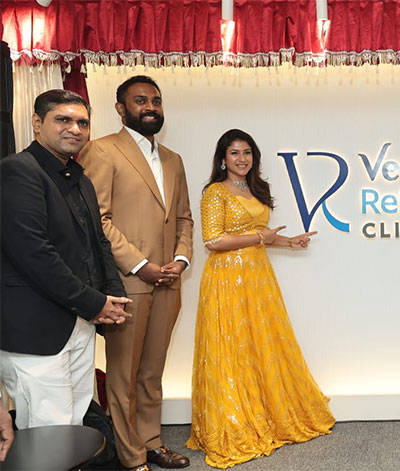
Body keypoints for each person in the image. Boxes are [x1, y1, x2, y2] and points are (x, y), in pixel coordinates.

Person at [186, 129, 335, 468]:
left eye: (247, 153)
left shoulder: (256, 189)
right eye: (235, 153)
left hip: (257, 277)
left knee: (261, 343)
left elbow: (261, 237)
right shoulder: (215, 192)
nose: (242, 159)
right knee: (232, 345)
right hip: (227, 278)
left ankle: (267, 412)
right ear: (222, 159)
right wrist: (260, 237)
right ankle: (236, 420)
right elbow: (213, 241)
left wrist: (290, 242)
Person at [78, 76, 194, 471]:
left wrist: (181, 259)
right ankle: (130, 456)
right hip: (127, 282)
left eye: (156, 101)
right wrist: (142, 265)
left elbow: (184, 218)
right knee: (124, 376)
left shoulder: (173, 159)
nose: (150, 107)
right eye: (140, 100)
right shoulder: (102, 150)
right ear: (120, 108)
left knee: (152, 371)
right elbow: (98, 219)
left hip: (169, 282)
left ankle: (151, 442)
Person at [0, 89, 131, 430]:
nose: (75, 129)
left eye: (82, 123)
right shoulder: (17, 171)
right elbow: (34, 254)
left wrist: (112, 296)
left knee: (73, 424)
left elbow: (98, 243)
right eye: (63, 120)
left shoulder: (80, 179)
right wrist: (94, 303)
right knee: (47, 430)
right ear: (37, 123)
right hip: (35, 330)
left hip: (79, 322)